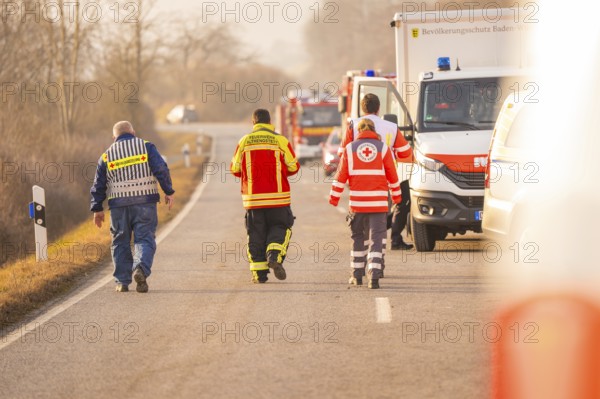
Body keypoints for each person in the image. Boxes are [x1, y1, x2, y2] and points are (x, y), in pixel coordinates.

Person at [90, 121, 175, 293]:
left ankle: (122, 282)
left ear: (114, 137)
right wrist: (168, 191)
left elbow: (98, 184)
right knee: (144, 239)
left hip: (118, 206)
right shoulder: (146, 147)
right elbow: (161, 169)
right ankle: (140, 269)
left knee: (120, 241)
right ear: (133, 132)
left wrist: (97, 208)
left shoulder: (106, 156)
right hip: (145, 202)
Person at [329, 118, 401, 289]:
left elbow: (341, 175)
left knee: (358, 237)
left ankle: (356, 275)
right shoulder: (383, 148)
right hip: (378, 204)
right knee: (377, 238)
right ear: (374, 130)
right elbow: (392, 174)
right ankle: (374, 276)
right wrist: (397, 197)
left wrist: (334, 197)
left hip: (357, 204)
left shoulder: (349, 149)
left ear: (359, 131)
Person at [230, 109, 300, 284]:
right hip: (278, 199)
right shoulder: (280, 140)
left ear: (254, 123)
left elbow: (235, 169)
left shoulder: (244, 141)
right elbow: (294, 166)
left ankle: (259, 275)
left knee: (256, 235)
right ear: (270, 122)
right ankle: (274, 254)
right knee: (280, 227)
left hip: (253, 200)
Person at [339, 93, 414, 252]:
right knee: (402, 201)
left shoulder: (353, 125)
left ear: (362, 108)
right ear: (379, 108)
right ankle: (395, 238)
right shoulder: (391, 127)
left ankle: (364, 245)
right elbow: (406, 152)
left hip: (361, 177)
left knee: (363, 210)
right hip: (388, 176)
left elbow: (342, 153)